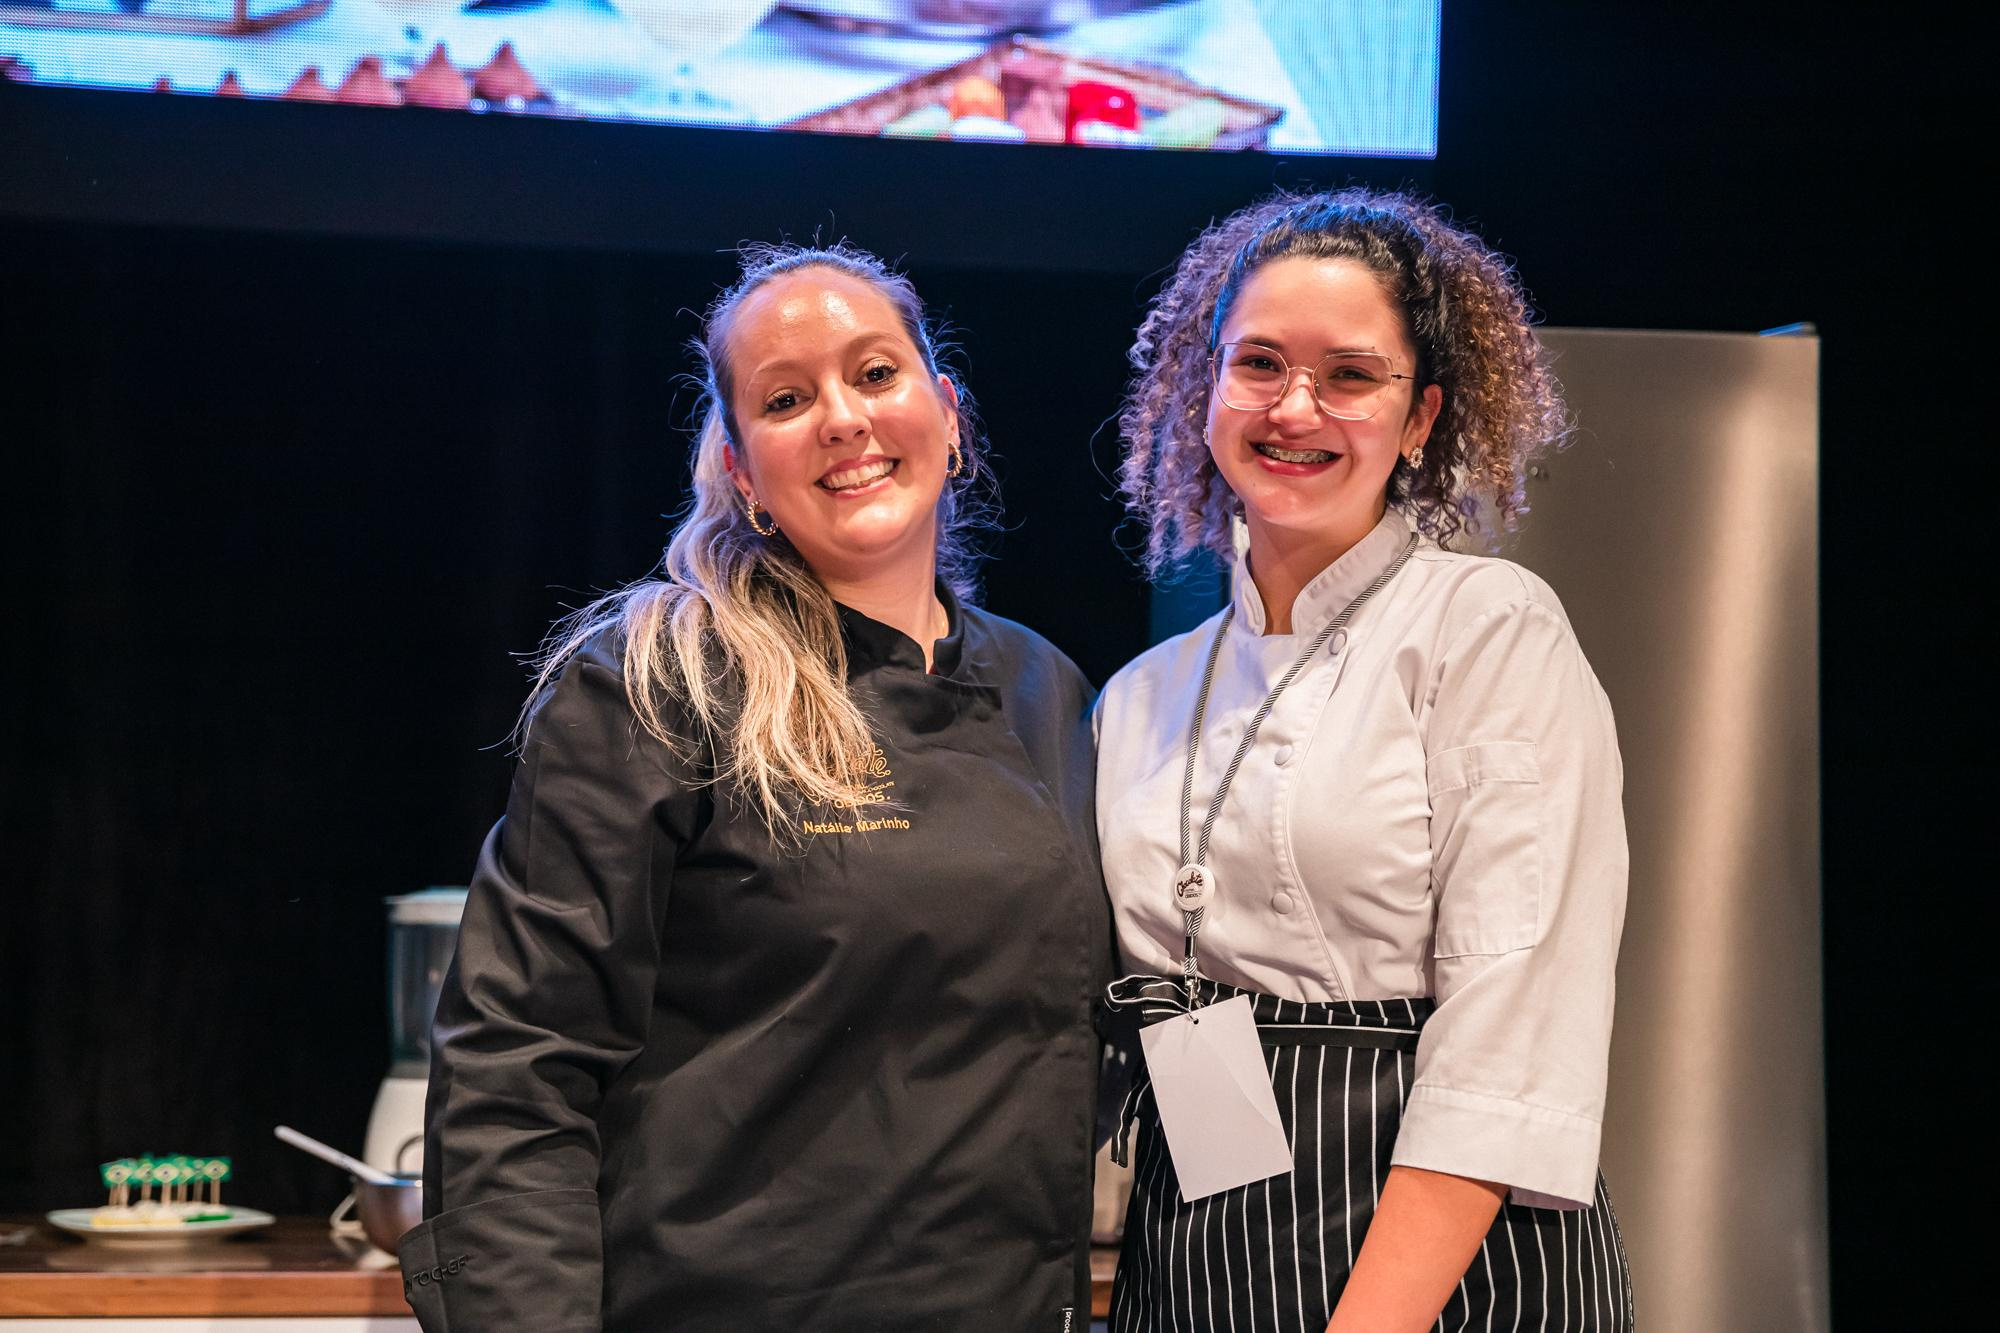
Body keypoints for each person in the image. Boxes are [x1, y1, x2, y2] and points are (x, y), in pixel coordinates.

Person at [396, 243, 1112, 1332]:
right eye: (785, 398)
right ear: (740, 469)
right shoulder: (654, 683)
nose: (841, 417)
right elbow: (517, 1073)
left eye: (875, 373)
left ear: (947, 411)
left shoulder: (1044, 689)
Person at [1095, 189, 1635, 1331]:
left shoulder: (1487, 627)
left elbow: (1514, 1028)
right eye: (1257, 364)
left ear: (1421, 414)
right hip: (1201, 1247)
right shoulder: (1140, 694)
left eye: (1348, 374)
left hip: (1451, 1258)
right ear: (1203, 389)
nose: (1295, 407)